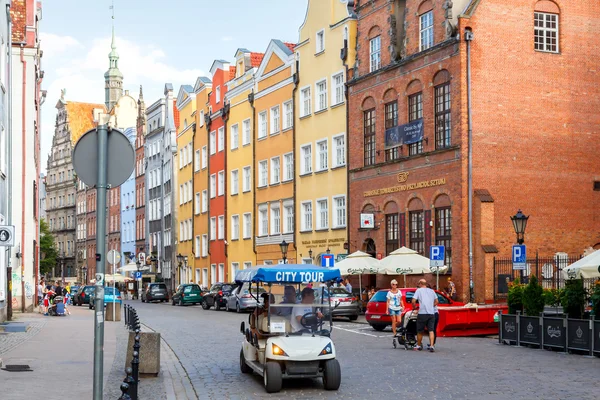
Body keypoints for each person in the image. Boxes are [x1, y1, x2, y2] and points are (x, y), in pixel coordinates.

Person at [412, 279, 439, 352]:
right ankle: (432, 346)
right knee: (431, 330)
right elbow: (437, 301)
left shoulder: (419, 290)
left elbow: (413, 300)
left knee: (420, 331)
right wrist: (431, 305)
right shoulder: (432, 291)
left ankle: (418, 345)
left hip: (422, 313)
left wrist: (414, 307)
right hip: (431, 313)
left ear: (420, 283)